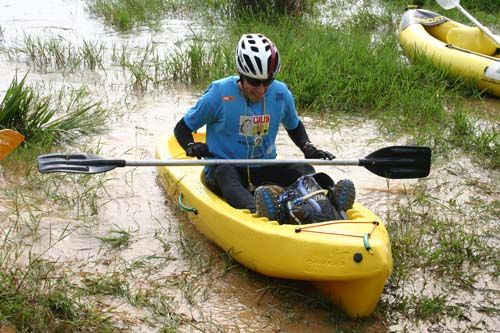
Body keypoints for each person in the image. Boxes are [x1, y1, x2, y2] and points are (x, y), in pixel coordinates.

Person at [174, 33, 334, 213]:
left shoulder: (281, 94)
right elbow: (182, 128)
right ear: (241, 74)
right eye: (254, 82)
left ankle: (325, 200)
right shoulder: (218, 94)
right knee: (224, 173)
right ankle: (259, 211)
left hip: (264, 168)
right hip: (226, 170)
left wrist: (308, 147)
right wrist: (191, 145)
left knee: (302, 169)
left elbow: (294, 126)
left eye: (267, 82)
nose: (261, 90)